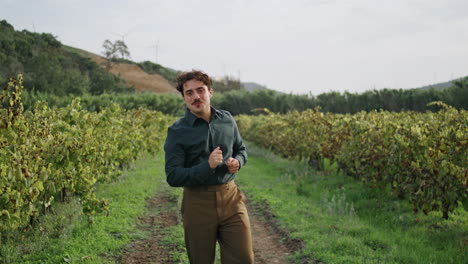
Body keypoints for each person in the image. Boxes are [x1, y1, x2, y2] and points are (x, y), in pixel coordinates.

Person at [164, 70, 254, 264]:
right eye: (189, 93)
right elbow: (173, 176)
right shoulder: (177, 132)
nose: (196, 96)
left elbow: (241, 149)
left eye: (200, 90)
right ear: (184, 97)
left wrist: (238, 161)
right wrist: (207, 166)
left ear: (210, 92)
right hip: (197, 203)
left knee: (243, 259)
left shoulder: (227, 120)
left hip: (231, 199)